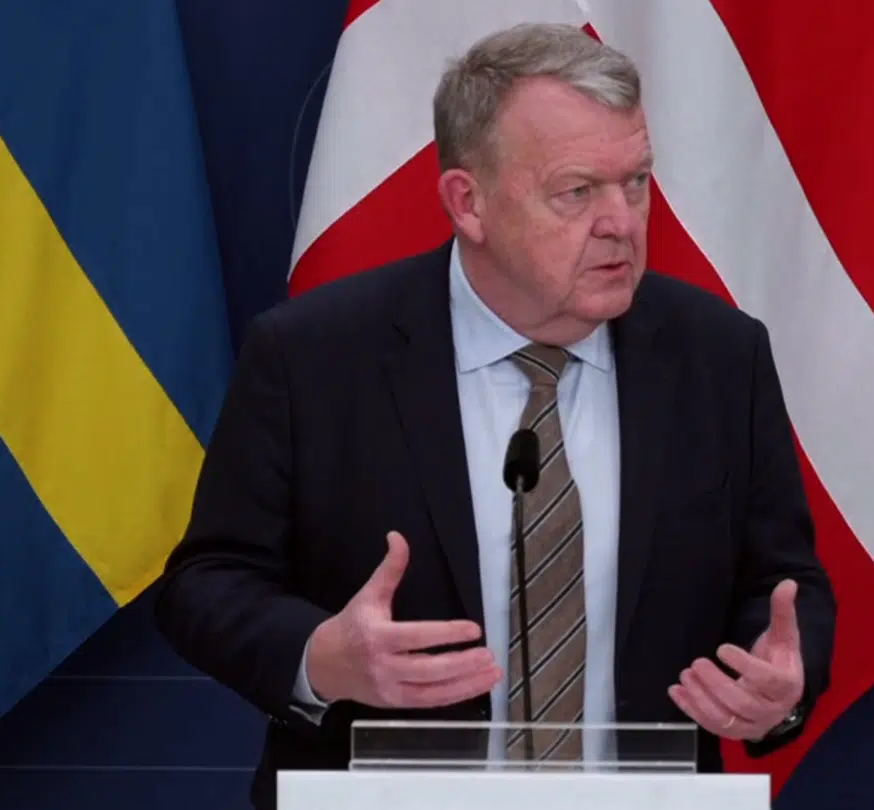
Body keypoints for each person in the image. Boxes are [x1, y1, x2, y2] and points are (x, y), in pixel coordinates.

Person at [153, 22, 836, 809]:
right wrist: (320, 657)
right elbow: (207, 582)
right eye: (577, 191)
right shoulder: (313, 356)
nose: (621, 220)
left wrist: (779, 681)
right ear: (468, 203)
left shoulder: (720, 356)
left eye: (636, 182)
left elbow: (781, 582)